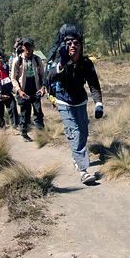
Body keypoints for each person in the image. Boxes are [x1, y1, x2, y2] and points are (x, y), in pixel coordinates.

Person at [47, 24, 103, 185]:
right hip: (64, 101)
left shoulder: (86, 63)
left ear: (81, 45)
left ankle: (76, 156)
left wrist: (98, 103)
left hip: (80, 101)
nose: (72, 45)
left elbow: (93, 84)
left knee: (84, 132)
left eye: (76, 43)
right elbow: (50, 77)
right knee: (75, 132)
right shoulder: (61, 61)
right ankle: (83, 170)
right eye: (69, 43)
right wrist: (62, 65)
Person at [11, 38, 45, 140]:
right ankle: (24, 132)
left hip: (36, 89)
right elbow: (13, 78)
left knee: (38, 112)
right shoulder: (18, 60)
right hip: (23, 90)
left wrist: (43, 88)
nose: (28, 49)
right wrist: (19, 90)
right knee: (25, 113)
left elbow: (43, 76)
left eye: (29, 46)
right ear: (22, 47)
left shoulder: (37, 60)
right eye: (26, 46)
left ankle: (41, 135)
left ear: (33, 47)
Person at [0, 51, 19, 129]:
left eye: (1, 58)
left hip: (7, 91)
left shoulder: (7, 68)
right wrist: (0, 94)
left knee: (12, 106)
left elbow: (10, 79)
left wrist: (11, 90)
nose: (0, 60)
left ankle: (15, 126)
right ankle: (2, 127)